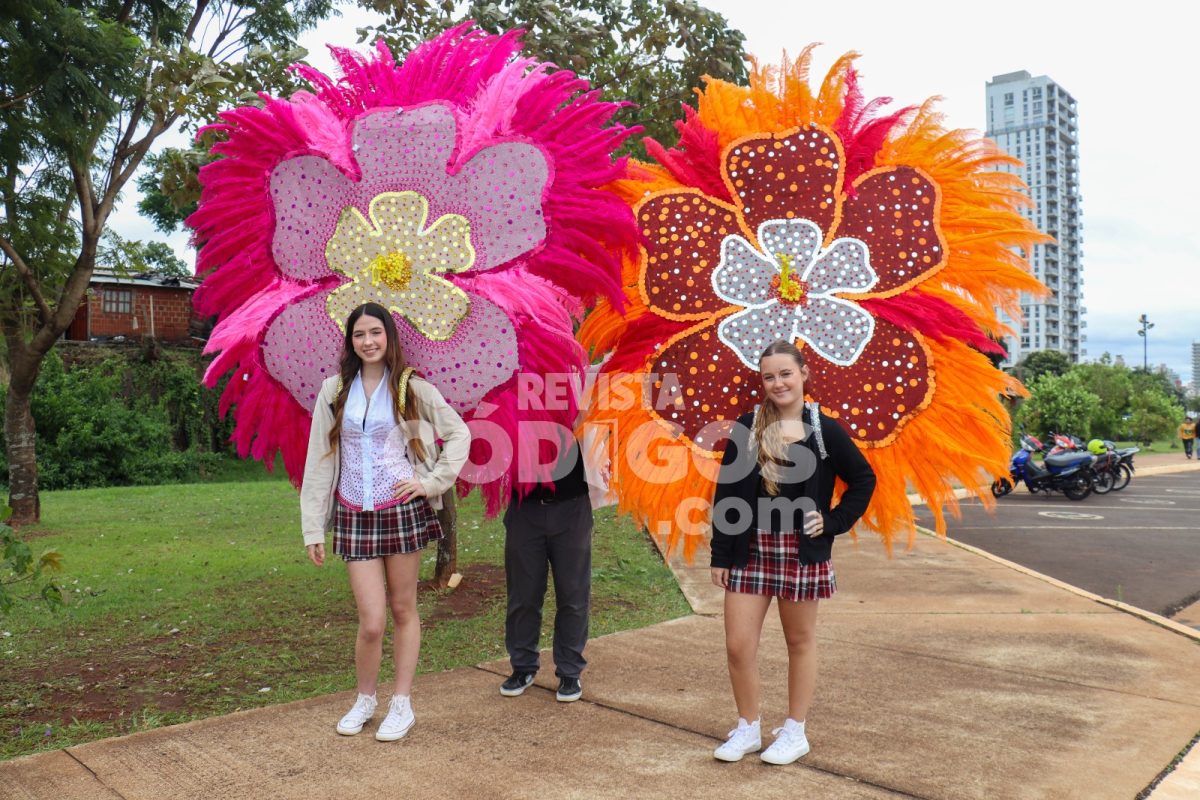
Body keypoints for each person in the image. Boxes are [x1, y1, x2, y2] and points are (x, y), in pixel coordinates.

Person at [301, 302, 470, 741]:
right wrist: (313, 527)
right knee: (371, 620)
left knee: (402, 608)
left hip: (401, 510)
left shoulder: (412, 389)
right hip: (354, 512)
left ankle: (401, 703)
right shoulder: (334, 390)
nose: (368, 341)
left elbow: (459, 434)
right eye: (359, 334)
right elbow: (319, 459)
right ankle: (365, 698)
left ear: (389, 337)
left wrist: (430, 483)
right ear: (350, 341)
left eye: (375, 332)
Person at [708, 339, 876, 765]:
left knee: (799, 642)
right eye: (769, 376)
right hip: (750, 549)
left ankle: (794, 732)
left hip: (800, 552)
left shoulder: (824, 429)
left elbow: (863, 480)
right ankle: (748, 728)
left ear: (803, 374)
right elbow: (726, 493)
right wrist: (720, 555)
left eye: (785, 373)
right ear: (761, 381)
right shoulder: (747, 428)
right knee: (737, 645)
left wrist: (833, 522)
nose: (778, 382)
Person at [498, 429, 593, 703]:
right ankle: (523, 666)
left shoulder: (581, 394)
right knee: (523, 594)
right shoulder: (514, 394)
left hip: (572, 507)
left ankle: (570, 671)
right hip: (524, 508)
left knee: (573, 595)